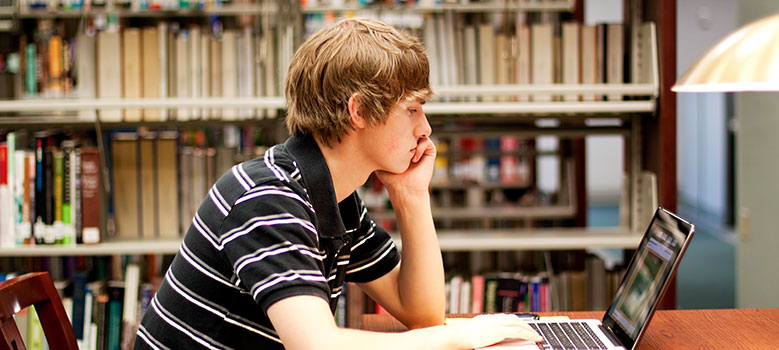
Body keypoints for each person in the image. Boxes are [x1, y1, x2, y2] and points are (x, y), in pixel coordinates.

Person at [135, 17, 542, 350]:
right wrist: (458, 335)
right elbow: (318, 345)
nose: (426, 128)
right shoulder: (266, 196)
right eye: (412, 109)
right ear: (359, 111)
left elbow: (421, 314)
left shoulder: (335, 197)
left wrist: (411, 196)